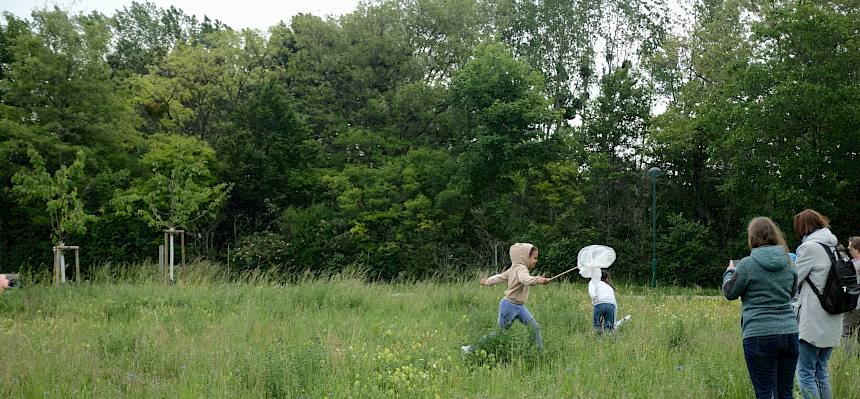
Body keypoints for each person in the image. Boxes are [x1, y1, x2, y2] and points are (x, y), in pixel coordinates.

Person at [722, 216, 799, 399]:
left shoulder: (748, 264)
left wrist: (729, 272)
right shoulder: (789, 263)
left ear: (752, 237)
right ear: (774, 235)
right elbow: (791, 293)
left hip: (758, 334)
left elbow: (729, 292)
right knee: (785, 392)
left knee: (764, 393)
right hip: (789, 332)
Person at [462, 243, 550, 353]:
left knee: (535, 328)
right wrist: (538, 280)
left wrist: (487, 281)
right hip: (509, 306)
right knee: (500, 333)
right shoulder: (521, 269)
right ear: (524, 257)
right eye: (534, 258)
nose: (536, 261)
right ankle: (470, 349)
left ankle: (539, 353)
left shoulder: (514, 268)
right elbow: (525, 279)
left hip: (519, 306)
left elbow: (499, 277)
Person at [793, 209, 842, 399]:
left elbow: (793, 280)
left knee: (805, 373)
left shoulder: (809, 248)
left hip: (813, 320)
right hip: (833, 316)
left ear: (803, 227)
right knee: (821, 372)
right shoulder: (835, 248)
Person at [842, 236, 860, 354]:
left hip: (855, 304)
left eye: (850, 249)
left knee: (847, 332)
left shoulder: (852, 265)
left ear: (856, 248)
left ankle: (849, 360)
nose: (849, 251)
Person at [589, 270, 617, 334]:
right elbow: (614, 303)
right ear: (607, 278)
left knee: (597, 324)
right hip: (611, 305)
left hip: (599, 304)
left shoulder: (594, 282)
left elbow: (591, 291)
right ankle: (608, 339)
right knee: (609, 325)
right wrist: (614, 322)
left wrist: (594, 298)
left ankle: (598, 339)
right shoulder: (609, 286)